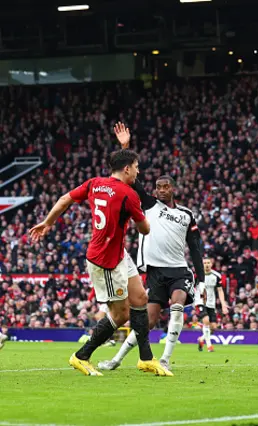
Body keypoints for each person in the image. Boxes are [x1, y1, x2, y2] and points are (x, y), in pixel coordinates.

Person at [28, 149, 171, 376]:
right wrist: (140, 218)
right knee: (121, 314)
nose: (138, 171)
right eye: (136, 167)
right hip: (105, 260)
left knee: (140, 298)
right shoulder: (129, 194)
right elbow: (144, 229)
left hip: (118, 253)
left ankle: (146, 359)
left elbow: (65, 199)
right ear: (127, 169)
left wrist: (47, 222)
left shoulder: (95, 183)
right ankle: (81, 356)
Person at [99, 123, 205, 372]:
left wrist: (200, 279)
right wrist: (125, 147)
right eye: (158, 187)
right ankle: (116, 359)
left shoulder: (186, 214)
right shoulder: (148, 204)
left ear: (173, 189)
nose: (161, 190)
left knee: (177, 306)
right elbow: (130, 180)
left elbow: (196, 247)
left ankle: (165, 359)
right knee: (147, 320)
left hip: (179, 271)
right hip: (156, 272)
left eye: (165, 186)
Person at [195, 258, 229, 352]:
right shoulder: (198, 275)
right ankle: (209, 346)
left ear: (211, 264)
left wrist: (223, 305)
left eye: (208, 263)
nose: (206, 264)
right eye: (204, 263)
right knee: (206, 320)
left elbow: (220, 290)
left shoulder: (216, 276)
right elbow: (192, 288)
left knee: (213, 327)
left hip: (211, 303)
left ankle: (202, 340)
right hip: (200, 301)